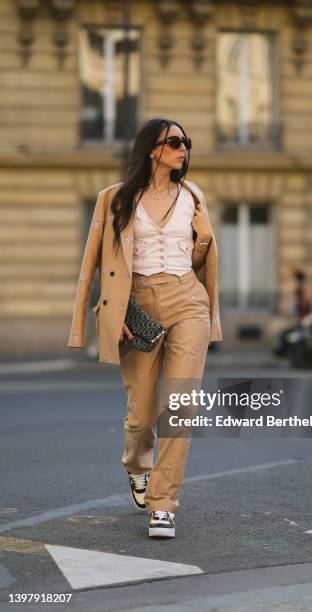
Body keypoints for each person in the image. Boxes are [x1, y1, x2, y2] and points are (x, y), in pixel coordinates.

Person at [67, 117, 223, 538]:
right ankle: (138, 465)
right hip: (137, 303)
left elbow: (200, 255)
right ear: (151, 149)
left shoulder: (193, 195)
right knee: (140, 415)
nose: (182, 148)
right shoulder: (114, 198)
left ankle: (163, 504)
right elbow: (94, 263)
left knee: (179, 406)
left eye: (186, 142)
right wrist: (107, 315)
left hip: (188, 299)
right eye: (174, 141)